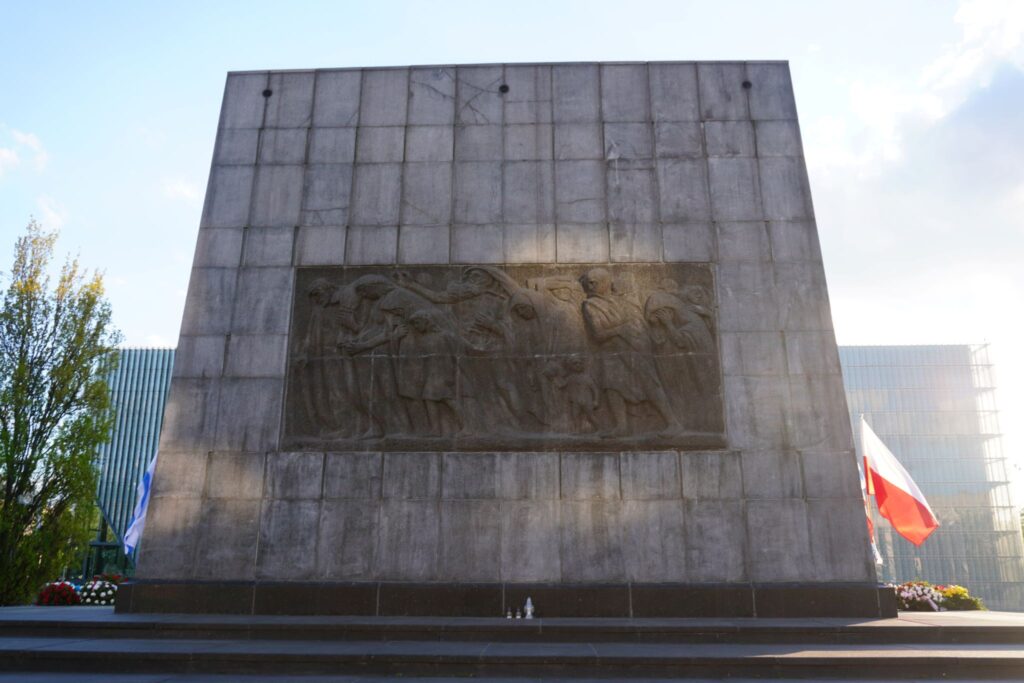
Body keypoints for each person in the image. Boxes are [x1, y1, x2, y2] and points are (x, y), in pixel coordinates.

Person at [580, 268, 682, 436]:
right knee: (611, 386)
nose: (590, 285)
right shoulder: (590, 305)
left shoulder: (624, 302)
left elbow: (639, 326)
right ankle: (621, 426)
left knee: (650, 383)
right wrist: (622, 328)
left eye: (594, 282)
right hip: (611, 352)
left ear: (606, 283)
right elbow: (598, 334)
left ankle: (673, 423)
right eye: (588, 282)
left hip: (635, 350)